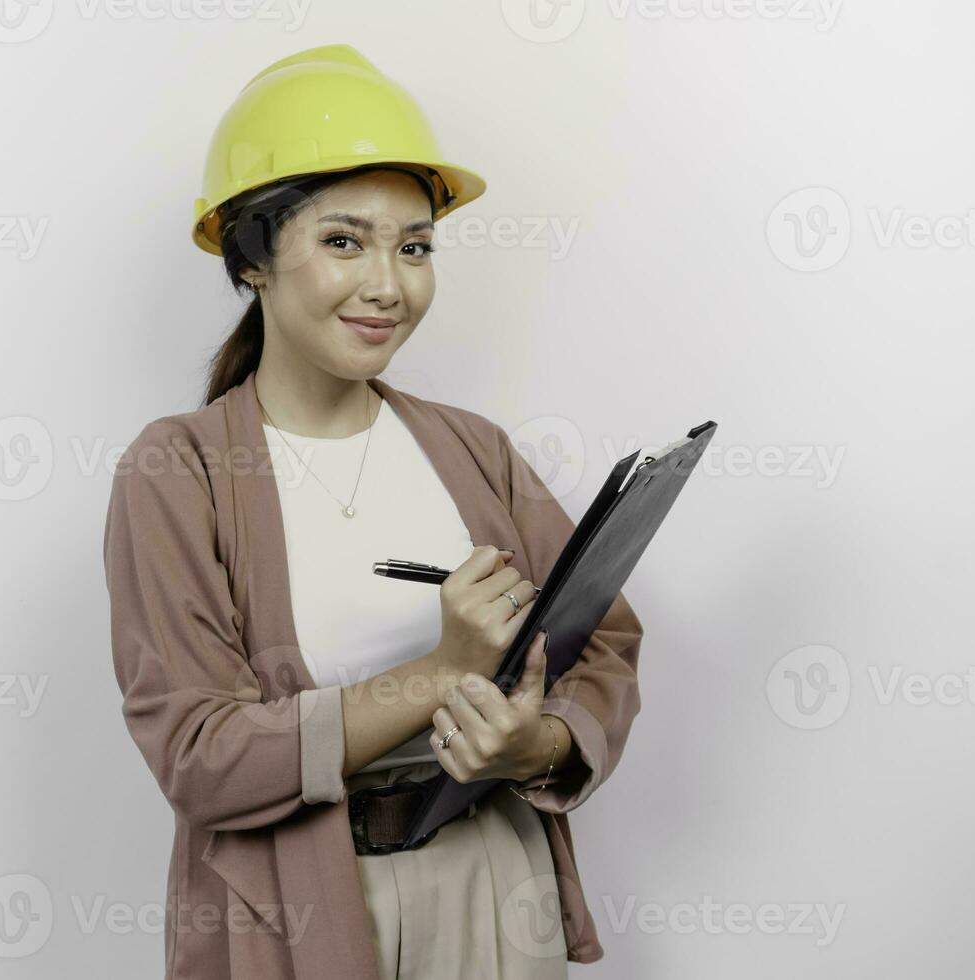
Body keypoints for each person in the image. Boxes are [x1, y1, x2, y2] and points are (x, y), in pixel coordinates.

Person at [104, 44, 644, 980]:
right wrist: (442, 672)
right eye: (344, 241)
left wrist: (536, 744)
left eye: (416, 245)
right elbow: (201, 757)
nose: (390, 285)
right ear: (253, 258)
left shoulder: (473, 449)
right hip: (294, 906)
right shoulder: (177, 470)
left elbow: (602, 640)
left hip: (494, 885)